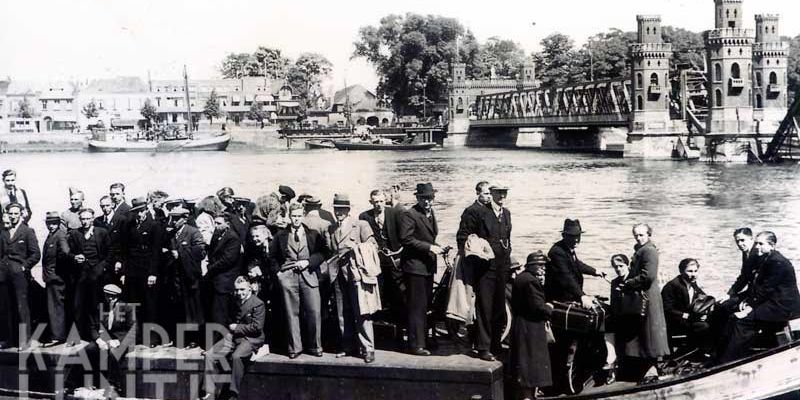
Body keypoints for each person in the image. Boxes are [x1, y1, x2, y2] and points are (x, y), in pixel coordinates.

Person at [716, 231, 800, 364]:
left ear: (772, 245)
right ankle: (721, 355)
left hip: (782, 306)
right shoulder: (767, 258)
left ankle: (730, 362)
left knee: (743, 321)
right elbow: (757, 286)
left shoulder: (777, 262)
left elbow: (766, 290)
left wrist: (748, 309)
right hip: (772, 301)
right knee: (733, 317)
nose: (756, 247)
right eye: (756, 243)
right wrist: (747, 301)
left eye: (761, 244)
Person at [457, 182, 512, 361]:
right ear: (492, 195)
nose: (501, 197)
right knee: (485, 308)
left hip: (502, 268)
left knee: (498, 308)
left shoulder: (507, 214)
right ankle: (483, 347)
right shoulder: (480, 213)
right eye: (498, 193)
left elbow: (507, 240)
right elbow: (464, 237)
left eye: (504, 193)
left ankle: (496, 344)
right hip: (485, 268)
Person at [269, 203, 326, 358]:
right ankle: (295, 348)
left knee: (314, 311)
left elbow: (322, 253)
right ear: (289, 216)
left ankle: (315, 347)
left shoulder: (313, 234)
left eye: (299, 216)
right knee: (291, 314)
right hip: (288, 278)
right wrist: (279, 275)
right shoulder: (280, 235)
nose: (296, 219)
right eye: (294, 216)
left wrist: (309, 262)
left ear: (303, 215)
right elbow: (272, 257)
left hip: (309, 276)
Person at [328, 193, 380, 363]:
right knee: (342, 312)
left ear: (348, 210)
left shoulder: (360, 225)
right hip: (338, 275)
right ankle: (347, 345)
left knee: (362, 312)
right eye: (336, 209)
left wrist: (357, 246)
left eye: (342, 209)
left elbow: (374, 245)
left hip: (356, 275)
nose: (339, 212)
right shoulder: (331, 228)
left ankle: (368, 348)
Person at [615, 223, 670, 380]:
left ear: (648, 234)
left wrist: (628, 283)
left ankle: (651, 368)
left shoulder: (649, 251)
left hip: (647, 296)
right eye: (636, 235)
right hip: (642, 295)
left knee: (649, 332)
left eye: (642, 235)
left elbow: (648, 276)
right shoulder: (641, 249)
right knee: (644, 332)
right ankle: (647, 367)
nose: (638, 238)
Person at [399, 182, 446, 356]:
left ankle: (424, 339)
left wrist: (438, 246)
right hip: (414, 268)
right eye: (424, 198)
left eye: (430, 198)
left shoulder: (430, 213)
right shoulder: (409, 214)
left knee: (425, 305)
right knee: (416, 307)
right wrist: (430, 248)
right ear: (417, 198)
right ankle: (415, 345)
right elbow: (406, 239)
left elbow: (428, 236)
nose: (427, 202)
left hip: (427, 266)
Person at [202, 276, 265, 400]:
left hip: (251, 338)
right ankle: (209, 392)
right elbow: (229, 319)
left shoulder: (258, 303)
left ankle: (233, 394)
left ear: (250, 289)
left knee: (237, 356)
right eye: (237, 290)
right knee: (209, 354)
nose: (239, 293)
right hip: (234, 336)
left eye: (242, 290)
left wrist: (236, 327)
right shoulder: (234, 300)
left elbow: (257, 327)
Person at [67, 284, 136, 395]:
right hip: (104, 340)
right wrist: (99, 340)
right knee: (86, 351)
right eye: (107, 296)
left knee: (114, 354)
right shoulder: (101, 307)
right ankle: (69, 385)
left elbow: (133, 330)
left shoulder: (128, 308)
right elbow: (93, 326)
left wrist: (118, 341)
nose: (110, 299)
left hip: (121, 341)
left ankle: (114, 387)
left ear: (118, 296)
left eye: (113, 297)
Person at [510, 251, 554, 400]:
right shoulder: (531, 281)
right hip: (531, 328)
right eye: (541, 265)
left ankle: (528, 396)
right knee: (531, 366)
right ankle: (529, 398)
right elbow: (538, 307)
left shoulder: (522, 278)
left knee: (525, 365)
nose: (544, 268)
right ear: (532, 266)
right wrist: (549, 307)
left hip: (521, 325)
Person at [0, 203, 41, 349]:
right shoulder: (3, 232)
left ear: (21, 214)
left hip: (19, 275)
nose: (13, 216)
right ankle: (7, 340)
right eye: (10, 213)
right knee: (5, 307)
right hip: (4, 275)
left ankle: (25, 340)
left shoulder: (27, 231)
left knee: (21, 307)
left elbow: (36, 254)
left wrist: (24, 266)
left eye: (16, 213)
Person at [120, 197, 160, 343]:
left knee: (149, 305)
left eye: (141, 211)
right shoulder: (129, 226)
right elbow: (126, 250)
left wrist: (153, 273)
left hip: (147, 270)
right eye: (136, 212)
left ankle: (152, 338)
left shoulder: (154, 226)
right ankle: (135, 337)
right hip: (132, 270)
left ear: (146, 210)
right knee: (134, 305)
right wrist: (124, 272)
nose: (139, 214)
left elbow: (156, 252)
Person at [359, 189, 404, 320]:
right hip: (375, 260)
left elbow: (403, 235)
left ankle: (399, 323)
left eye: (381, 201)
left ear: (385, 201)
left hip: (394, 258)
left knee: (398, 291)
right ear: (370, 202)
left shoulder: (395, 213)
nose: (378, 204)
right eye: (375, 202)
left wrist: (399, 254)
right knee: (379, 290)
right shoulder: (364, 217)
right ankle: (380, 322)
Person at [68, 208, 111, 342]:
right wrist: (75, 257)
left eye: (88, 219)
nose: (85, 222)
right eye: (83, 219)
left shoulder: (101, 232)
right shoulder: (75, 234)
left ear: (92, 219)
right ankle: (79, 334)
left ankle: (99, 333)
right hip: (81, 274)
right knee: (78, 305)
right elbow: (69, 254)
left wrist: (101, 268)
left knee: (96, 304)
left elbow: (110, 253)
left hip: (97, 274)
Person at [168, 206, 206, 349]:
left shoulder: (193, 232)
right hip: (175, 279)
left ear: (184, 219)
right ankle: (180, 339)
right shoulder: (171, 234)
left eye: (177, 219)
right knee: (179, 309)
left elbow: (200, 252)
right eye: (172, 218)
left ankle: (194, 339)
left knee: (193, 310)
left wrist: (181, 253)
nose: (173, 221)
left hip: (190, 278)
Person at [661, 258, 711, 350]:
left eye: (696, 271)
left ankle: (711, 351)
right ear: (681, 271)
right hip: (675, 322)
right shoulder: (672, 286)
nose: (694, 274)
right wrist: (687, 316)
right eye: (690, 271)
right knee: (704, 326)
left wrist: (706, 310)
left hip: (688, 318)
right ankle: (695, 353)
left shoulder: (692, 283)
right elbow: (667, 309)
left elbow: (702, 296)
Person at [204, 212, 243, 330]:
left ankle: (220, 342)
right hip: (215, 279)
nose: (216, 225)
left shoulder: (233, 238)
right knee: (214, 313)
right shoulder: (217, 234)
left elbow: (227, 260)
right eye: (215, 223)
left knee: (220, 313)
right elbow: (212, 253)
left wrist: (209, 268)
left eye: (219, 223)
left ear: (227, 224)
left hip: (225, 280)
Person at [42, 211, 72, 346]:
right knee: (54, 306)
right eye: (49, 223)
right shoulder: (52, 235)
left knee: (55, 307)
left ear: (59, 223)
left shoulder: (60, 235)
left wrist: (58, 270)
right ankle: (58, 334)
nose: (51, 226)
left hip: (56, 277)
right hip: (51, 277)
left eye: (54, 223)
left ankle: (58, 336)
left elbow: (65, 253)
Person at [726, 228, 760, 301]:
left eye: (742, 240)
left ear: (751, 238)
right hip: (751, 291)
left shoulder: (759, 253)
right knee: (723, 304)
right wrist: (729, 294)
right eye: (737, 241)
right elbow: (744, 277)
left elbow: (763, 282)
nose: (739, 244)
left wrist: (749, 302)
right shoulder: (746, 252)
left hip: (760, 295)